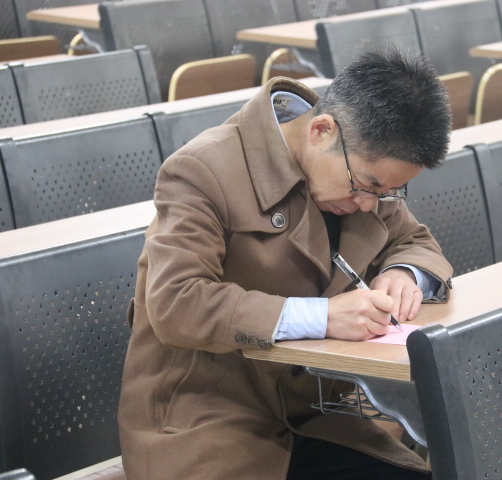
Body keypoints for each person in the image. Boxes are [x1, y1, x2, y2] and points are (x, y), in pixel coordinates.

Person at [118, 47, 454, 480]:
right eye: (367, 186)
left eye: (388, 193)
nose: (370, 204)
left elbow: (415, 241)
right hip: (203, 421)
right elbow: (176, 303)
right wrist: (323, 317)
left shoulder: (361, 172)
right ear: (320, 131)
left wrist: (404, 273)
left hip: (315, 415)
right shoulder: (202, 170)